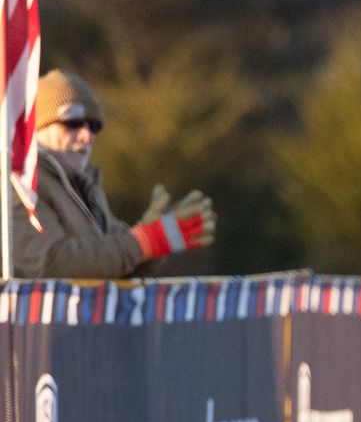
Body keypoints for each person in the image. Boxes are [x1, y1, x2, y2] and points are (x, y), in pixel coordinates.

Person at [12, 69, 217, 279]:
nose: (86, 135)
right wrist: (142, 242)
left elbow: (115, 268)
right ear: (34, 127)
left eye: (93, 126)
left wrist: (155, 243)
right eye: (72, 122)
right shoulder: (18, 184)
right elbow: (49, 264)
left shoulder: (86, 188)